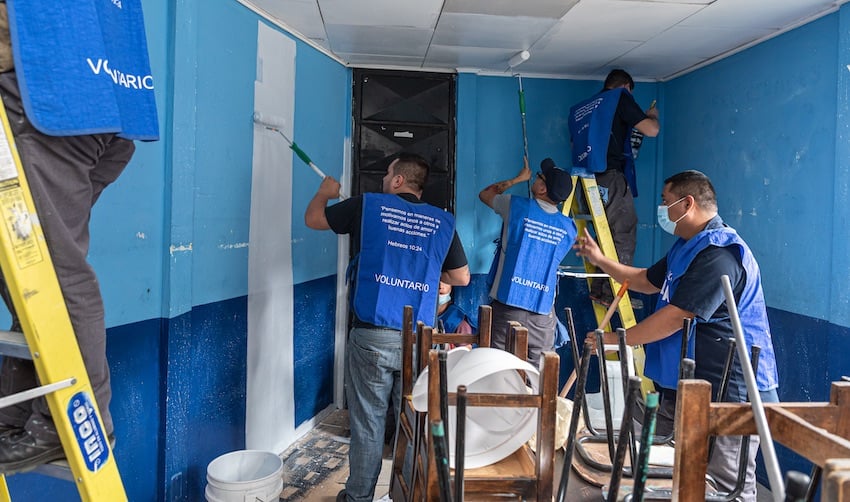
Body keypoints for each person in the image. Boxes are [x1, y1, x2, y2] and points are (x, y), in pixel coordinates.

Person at [0, 0, 158, 473]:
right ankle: (20, 413)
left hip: (50, 111)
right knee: (29, 274)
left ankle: (69, 419)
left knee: (56, 266)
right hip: (102, 111)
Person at [575, 170, 779, 500]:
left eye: (666, 202)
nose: (663, 209)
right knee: (691, 474)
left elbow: (678, 316)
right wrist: (600, 260)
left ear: (688, 203)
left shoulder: (718, 254)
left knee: (726, 485)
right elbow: (644, 279)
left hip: (732, 388)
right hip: (696, 383)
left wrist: (617, 339)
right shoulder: (686, 247)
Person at [304, 152, 470, 502]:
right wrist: (435, 278)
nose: (382, 180)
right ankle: (405, 496)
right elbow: (461, 277)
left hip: (372, 337)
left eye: (387, 174)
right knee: (413, 421)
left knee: (368, 425)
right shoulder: (442, 221)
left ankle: (358, 497)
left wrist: (325, 192)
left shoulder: (369, 206)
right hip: (419, 339)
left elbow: (314, 219)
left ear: (397, 181)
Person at [568, 69, 660, 306]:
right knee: (623, 232)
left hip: (584, 180)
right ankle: (612, 293)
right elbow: (651, 130)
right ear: (626, 86)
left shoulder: (582, 108)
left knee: (601, 234)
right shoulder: (620, 97)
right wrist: (652, 116)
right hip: (610, 176)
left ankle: (599, 289)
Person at [479, 157, 577, 368]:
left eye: (538, 177)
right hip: (543, 314)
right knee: (536, 378)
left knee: (498, 371)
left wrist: (517, 179)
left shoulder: (516, 206)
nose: (534, 178)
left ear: (542, 188)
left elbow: (485, 195)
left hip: (507, 307)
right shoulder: (569, 228)